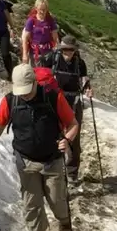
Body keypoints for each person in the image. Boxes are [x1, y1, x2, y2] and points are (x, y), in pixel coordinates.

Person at [0, 63, 80, 231]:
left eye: (27, 91)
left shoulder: (53, 97)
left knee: (57, 200)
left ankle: (64, 220)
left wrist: (66, 139)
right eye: (20, 91)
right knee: (32, 205)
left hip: (52, 160)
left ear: (34, 83)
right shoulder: (10, 101)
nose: (24, 96)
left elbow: (73, 123)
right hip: (25, 160)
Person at [39, 35, 92, 184]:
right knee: (51, 133)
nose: (67, 52)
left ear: (75, 50)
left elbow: (84, 80)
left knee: (74, 138)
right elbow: (40, 73)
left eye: (70, 50)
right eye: (64, 49)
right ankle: (50, 167)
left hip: (74, 101)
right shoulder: (50, 58)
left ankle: (71, 172)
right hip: (54, 100)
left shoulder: (80, 64)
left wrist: (88, 88)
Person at [21, 0, 59, 67]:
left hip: (48, 53)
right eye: (40, 9)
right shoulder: (31, 20)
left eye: (44, 9)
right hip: (34, 53)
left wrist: (57, 50)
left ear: (47, 9)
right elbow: (25, 39)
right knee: (35, 74)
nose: (42, 11)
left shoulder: (50, 21)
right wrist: (25, 54)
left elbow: (55, 38)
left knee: (46, 74)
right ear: (36, 8)